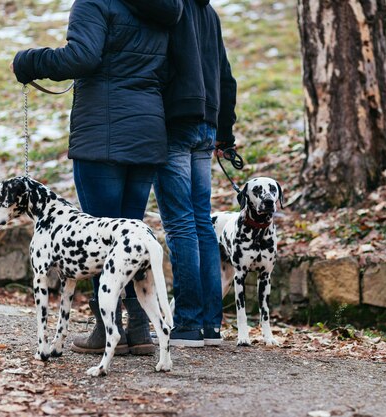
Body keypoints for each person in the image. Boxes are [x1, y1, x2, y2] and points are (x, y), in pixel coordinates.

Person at [11, 0, 183, 355]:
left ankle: (106, 330)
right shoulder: (165, 8)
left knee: (98, 238)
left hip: (102, 136)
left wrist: (30, 62)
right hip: (148, 130)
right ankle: (138, 330)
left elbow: (82, 57)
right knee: (130, 233)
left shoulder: (93, 2)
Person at [127, 0, 237, 347]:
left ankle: (187, 322)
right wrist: (225, 133)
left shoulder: (170, 10)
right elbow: (226, 75)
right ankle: (210, 325)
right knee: (201, 221)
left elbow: (157, 63)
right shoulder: (210, 13)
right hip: (207, 121)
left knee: (180, 223)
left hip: (175, 120)